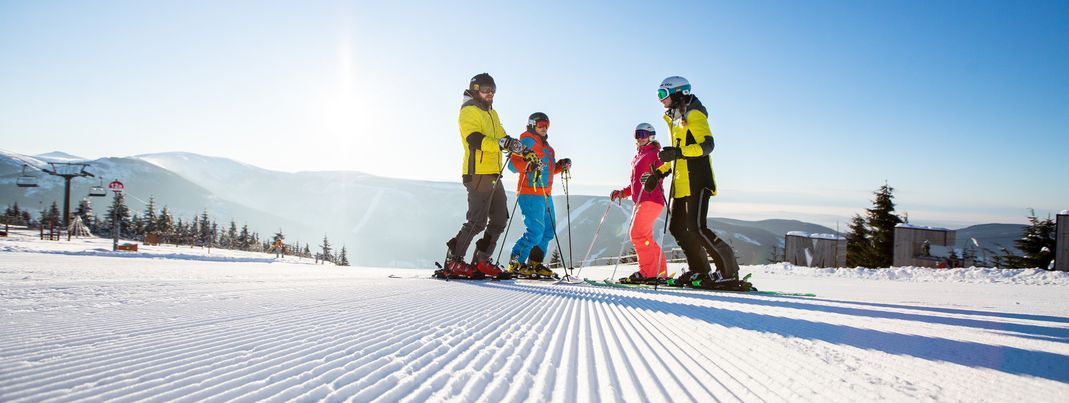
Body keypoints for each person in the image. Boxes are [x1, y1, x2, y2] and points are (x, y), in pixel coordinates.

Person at [646, 76, 750, 290]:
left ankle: (729, 271)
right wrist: (659, 173)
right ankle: (700, 269)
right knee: (677, 228)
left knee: (697, 228)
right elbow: (676, 154)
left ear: (678, 93)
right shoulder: (674, 119)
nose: (660, 99)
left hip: (697, 179)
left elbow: (707, 146)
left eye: (662, 94)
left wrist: (678, 153)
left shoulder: (694, 113)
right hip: (681, 183)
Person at [441, 73, 525, 279]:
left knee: (499, 219)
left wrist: (516, 146)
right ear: (476, 89)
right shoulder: (468, 111)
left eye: (493, 91)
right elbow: (475, 139)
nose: (490, 94)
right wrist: (500, 143)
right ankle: (453, 260)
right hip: (477, 173)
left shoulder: (491, 113)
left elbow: (502, 136)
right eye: (486, 90)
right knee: (477, 221)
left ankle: (481, 261)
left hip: (493, 173)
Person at [505, 112, 572, 278]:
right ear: (532, 124)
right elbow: (513, 166)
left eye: (546, 125)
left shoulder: (548, 149)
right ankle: (515, 263)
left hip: (545, 194)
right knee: (535, 231)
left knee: (548, 231)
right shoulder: (526, 140)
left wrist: (560, 166)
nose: (544, 128)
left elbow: (547, 170)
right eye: (540, 124)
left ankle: (535, 264)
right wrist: (529, 164)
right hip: (530, 192)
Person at [610, 123, 669, 284]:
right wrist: (623, 192)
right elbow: (636, 183)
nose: (640, 138)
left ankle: (648, 273)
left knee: (637, 234)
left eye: (643, 134)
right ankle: (660, 271)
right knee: (645, 236)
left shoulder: (655, 153)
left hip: (651, 199)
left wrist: (655, 178)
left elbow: (663, 171)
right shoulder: (639, 155)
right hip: (642, 200)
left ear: (651, 136)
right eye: (637, 134)